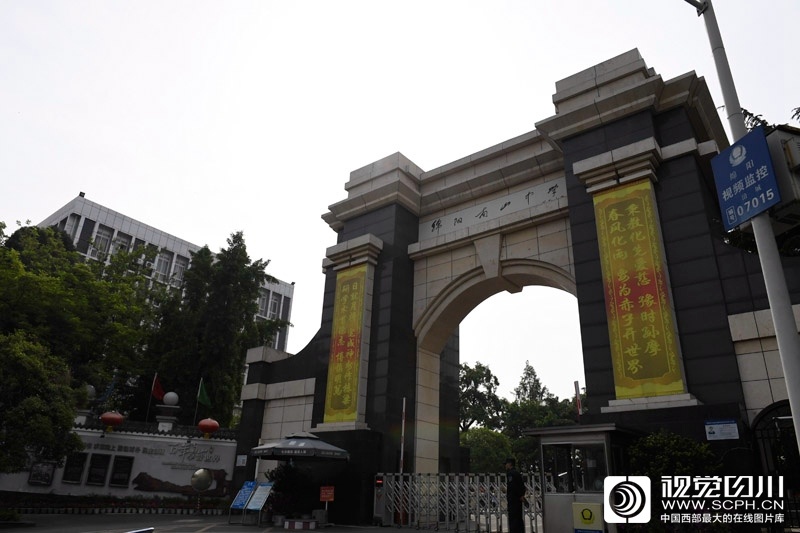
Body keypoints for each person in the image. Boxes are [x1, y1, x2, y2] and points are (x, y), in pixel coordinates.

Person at [505, 457, 526, 533]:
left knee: (513, 520)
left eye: (506, 464)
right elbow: (522, 486)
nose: (505, 465)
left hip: (513, 500)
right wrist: (521, 495)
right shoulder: (517, 473)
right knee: (519, 519)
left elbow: (512, 487)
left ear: (510, 464)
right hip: (518, 500)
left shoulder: (510, 474)